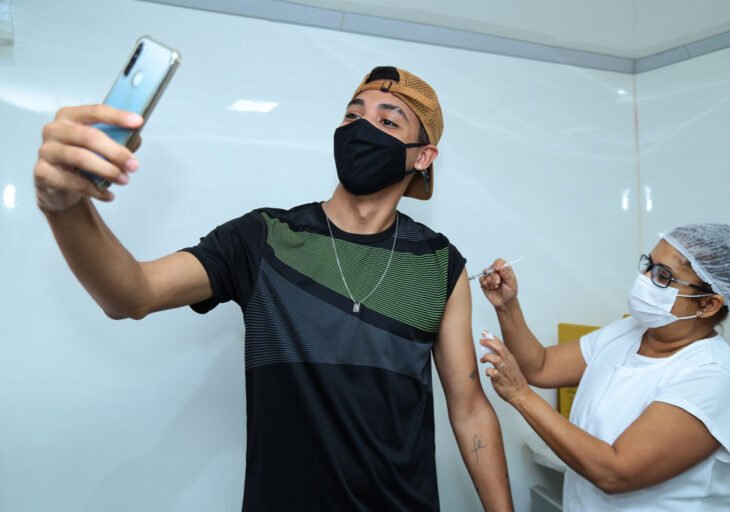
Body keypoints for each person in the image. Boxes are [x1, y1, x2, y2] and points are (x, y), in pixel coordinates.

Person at [34, 66, 514, 511]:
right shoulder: (264, 239)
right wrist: (64, 206)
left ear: (423, 157)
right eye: (352, 115)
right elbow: (132, 293)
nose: (360, 129)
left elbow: (470, 410)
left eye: (388, 122)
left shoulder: (438, 263)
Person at [477, 223, 730, 511]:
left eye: (663, 276)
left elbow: (615, 472)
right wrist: (507, 307)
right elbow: (541, 366)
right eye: (649, 265)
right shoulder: (629, 331)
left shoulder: (713, 379)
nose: (645, 278)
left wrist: (520, 395)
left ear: (708, 305)